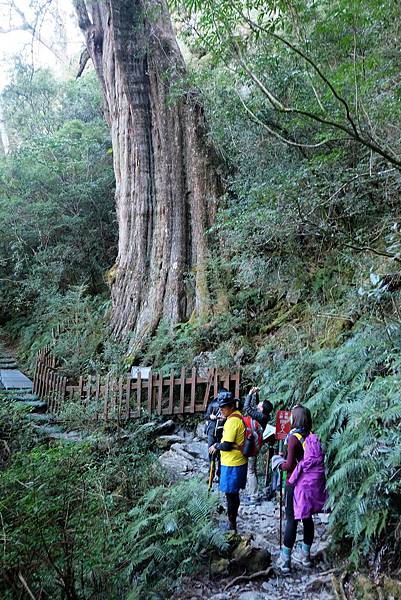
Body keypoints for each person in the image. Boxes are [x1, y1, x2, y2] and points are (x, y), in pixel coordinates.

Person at [275, 405, 315, 572]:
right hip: (309, 484)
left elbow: (290, 465)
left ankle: (285, 560)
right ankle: (306, 557)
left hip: (295, 483)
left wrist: (278, 463)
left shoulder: (293, 438)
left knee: (291, 519)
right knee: (307, 518)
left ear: (295, 418)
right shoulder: (312, 436)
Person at [209, 391, 247, 532]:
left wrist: (216, 446)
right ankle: (233, 520)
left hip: (232, 463)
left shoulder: (232, 421)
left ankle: (232, 524)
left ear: (231, 406)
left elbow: (227, 445)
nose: (221, 410)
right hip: (237, 461)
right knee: (233, 494)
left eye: (223, 407)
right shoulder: (238, 417)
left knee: (231, 495)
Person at [243, 386, 273, 504]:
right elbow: (255, 407)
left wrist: (250, 394)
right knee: (252, 469)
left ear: (261, 409)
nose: (258, 404)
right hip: (256, 443)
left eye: (260, 404)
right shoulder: (263, 415)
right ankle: (252, 492)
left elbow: (247, 408)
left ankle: (254, 496)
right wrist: (255, 395)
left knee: (250, 470)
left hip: (253, 444)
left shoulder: (260, 416)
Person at [204, 389, 227, 482]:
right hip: (211, 431)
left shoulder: (226, 405)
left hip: (222, 432)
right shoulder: (213, 404)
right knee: (211, 453)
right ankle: (211, 474)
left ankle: (219, 474)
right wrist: (210, 416)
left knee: (221, 454)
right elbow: (206, 415)